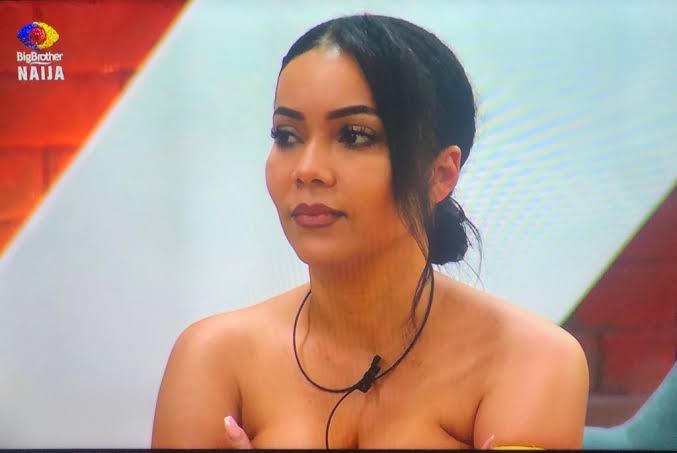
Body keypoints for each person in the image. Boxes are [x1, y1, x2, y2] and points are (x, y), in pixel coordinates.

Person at [151, 14, 589, 449]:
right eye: (287, 136)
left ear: (440, 174)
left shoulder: (532, 360)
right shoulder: (213, 357)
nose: (307, 170)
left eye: (355, 136)